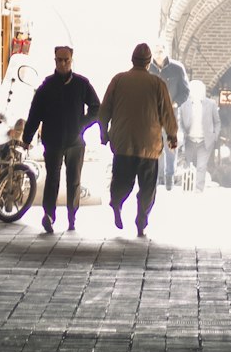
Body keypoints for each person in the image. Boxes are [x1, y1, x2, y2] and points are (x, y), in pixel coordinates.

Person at [99, 42, 178, 237]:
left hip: (123, 143)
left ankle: (116, 202)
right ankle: (141, 221)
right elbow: (167, 113)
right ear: (149, 62)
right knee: (148, 187)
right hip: (149, 145)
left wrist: (104, 132)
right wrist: (172, 135)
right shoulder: (158, 84)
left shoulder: (118, 80)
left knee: (122, 181)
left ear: (132, 60)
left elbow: (104, 109)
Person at [22, 45, 101, 234]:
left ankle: (72, 217)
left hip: (75, 141)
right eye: (59, 60)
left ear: (71, 60)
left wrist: (81, 124)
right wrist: (27, 137)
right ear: (55, 61)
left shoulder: (82, 84)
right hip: (53, 140)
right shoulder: (46, 86)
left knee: (74, 180)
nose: (63, 63)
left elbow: (96, 107)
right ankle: (49, 216)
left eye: (66, 59)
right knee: (52, 179)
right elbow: (35, 114)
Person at [150, 41, 189, 190]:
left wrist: (175, 103)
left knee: (171, 145)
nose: (158, 55)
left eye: (160, 51)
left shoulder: (177, 69)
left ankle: (169, 178)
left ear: (166, 51)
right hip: (152, 115)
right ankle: (157, 177)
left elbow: (185, 91)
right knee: (154, 146)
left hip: (171, 114)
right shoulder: (148, 69)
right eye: (155, 51)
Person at [176, 79, 221, 192]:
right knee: (187, 164)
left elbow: (217, 122)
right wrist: (181, 133)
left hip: (205, 140)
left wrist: (214, 136)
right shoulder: (184, 105)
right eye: (194, 90)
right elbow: (180, 122)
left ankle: (198, 188)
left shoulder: (211, 104)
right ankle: (186, 185)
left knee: (201, 165)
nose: (196, 93)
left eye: (199, 90)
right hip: (189, 139)